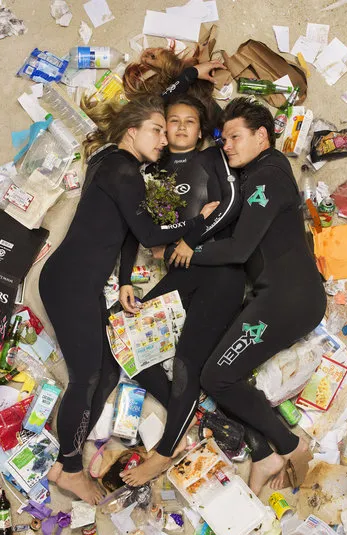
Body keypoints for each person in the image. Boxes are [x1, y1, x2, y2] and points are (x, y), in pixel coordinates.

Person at [122, 98, 326, 495]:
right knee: (215, 366)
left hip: (290, 300)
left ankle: (289, 444)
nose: (227, 145)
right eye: (223, 137)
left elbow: (238, 250)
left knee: (217, 376)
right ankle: (265, 453)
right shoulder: (257, 177)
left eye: (235, 137)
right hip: (276, 297)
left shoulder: (267, 178)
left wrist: (188, 251)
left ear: (262, 136)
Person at [39, 95, 219, 504]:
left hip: (78, 282)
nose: (163, 139)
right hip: (69, 283)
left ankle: (65, 457)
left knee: (104, 372)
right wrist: (198, 219)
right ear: (131, 131)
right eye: (157, 130)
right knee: (85, 377)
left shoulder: (110, 162)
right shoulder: (124, 171)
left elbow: (128, 230)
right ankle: (69, 469)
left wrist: (123, 280)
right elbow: (153, 234)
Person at [118, 96, 246, 487]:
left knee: (189, 356)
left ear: (201, 128)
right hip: (181, 268)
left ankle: (165, 449)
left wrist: (192, 237)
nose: (180, 127)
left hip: (219, 268)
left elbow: (232, 203)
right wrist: (125, 277)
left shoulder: (212, 158)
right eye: (172, 121)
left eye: (189, 121)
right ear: (161, 127)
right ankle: (185, 405)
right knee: (121, 331)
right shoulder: (147, 167)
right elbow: (131, 228)